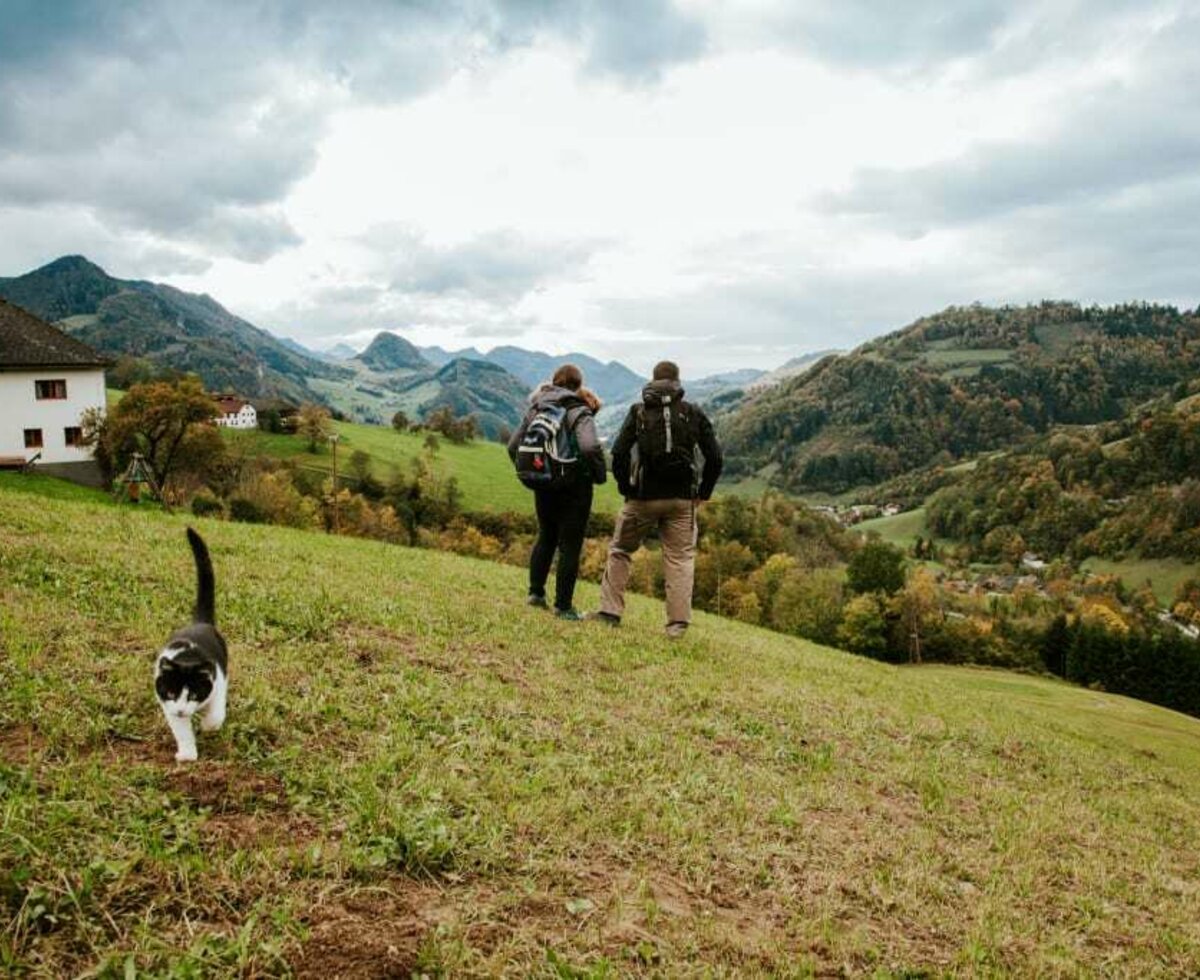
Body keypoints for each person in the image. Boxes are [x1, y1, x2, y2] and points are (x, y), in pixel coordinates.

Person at [590, 360, 723, 638]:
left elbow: (619, 453)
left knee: (620, 550)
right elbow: (715, 457)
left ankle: (610, 612)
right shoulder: (692, 412)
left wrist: (626, 487)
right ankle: (676, 625)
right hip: (682, 499)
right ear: (677, 382)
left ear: (653, 381)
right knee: (680, 558)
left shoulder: (638, 411)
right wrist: (703, 493)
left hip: (643, 496)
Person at [507, 364, 606, 619]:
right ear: (578, 385)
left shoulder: (537, 407)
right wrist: (598, 475)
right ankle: (563, 607)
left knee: (546, 536)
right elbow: (589, 447)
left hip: (545, 484)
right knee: (570, 546)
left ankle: (536, 593)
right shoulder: (578, 410)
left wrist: (534, 471)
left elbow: (513, 446)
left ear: (553, 382)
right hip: (574, 488)